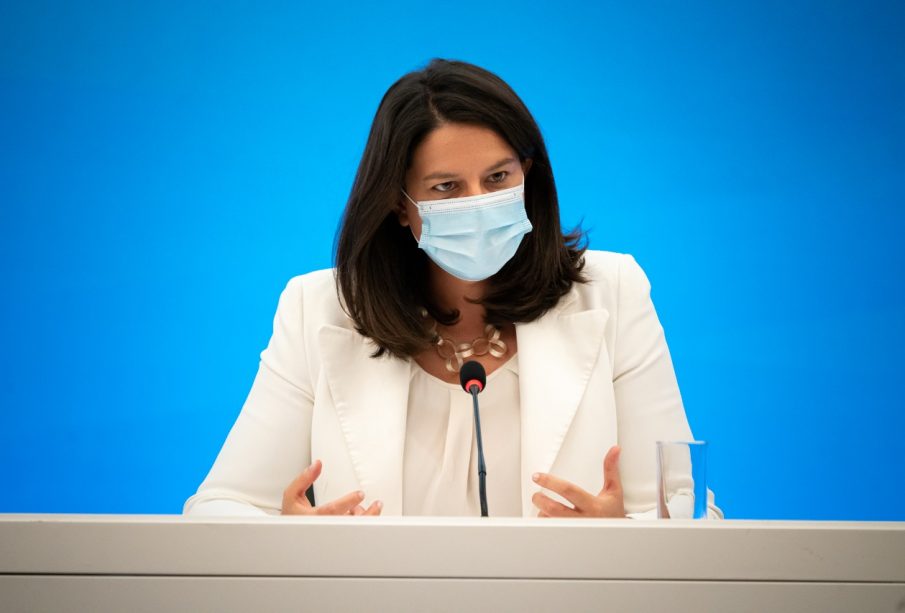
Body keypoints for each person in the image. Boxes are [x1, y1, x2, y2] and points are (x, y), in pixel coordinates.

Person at [183, 59, 722, 519]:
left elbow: (689, 511)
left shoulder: (613, 292)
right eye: (446, 187)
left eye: (497, 178)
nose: (478, 203)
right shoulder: (319, 309)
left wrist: (623, 535)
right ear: (399, 204)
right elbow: (217, 508)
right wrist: (291, 541)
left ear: (528, 176)